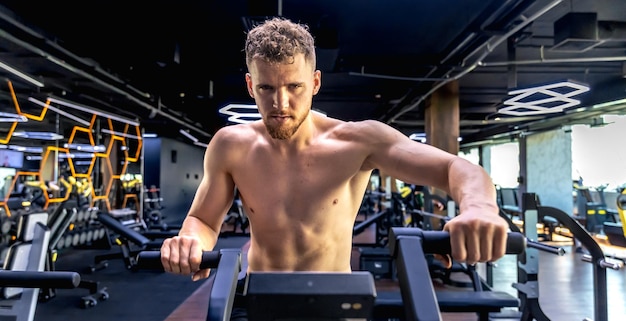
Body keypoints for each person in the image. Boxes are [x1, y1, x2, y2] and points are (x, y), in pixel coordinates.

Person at [160, 17, 509, 319]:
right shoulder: (230, 145)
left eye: (294, 87)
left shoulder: (358, 141)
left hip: (336, 302)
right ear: (251, 86)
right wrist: (190, 241)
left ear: (314, 83)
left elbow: (456, 168)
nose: (280, 103)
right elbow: (204, 221)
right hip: (259, 296)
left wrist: (479, 209)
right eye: (266, 88)